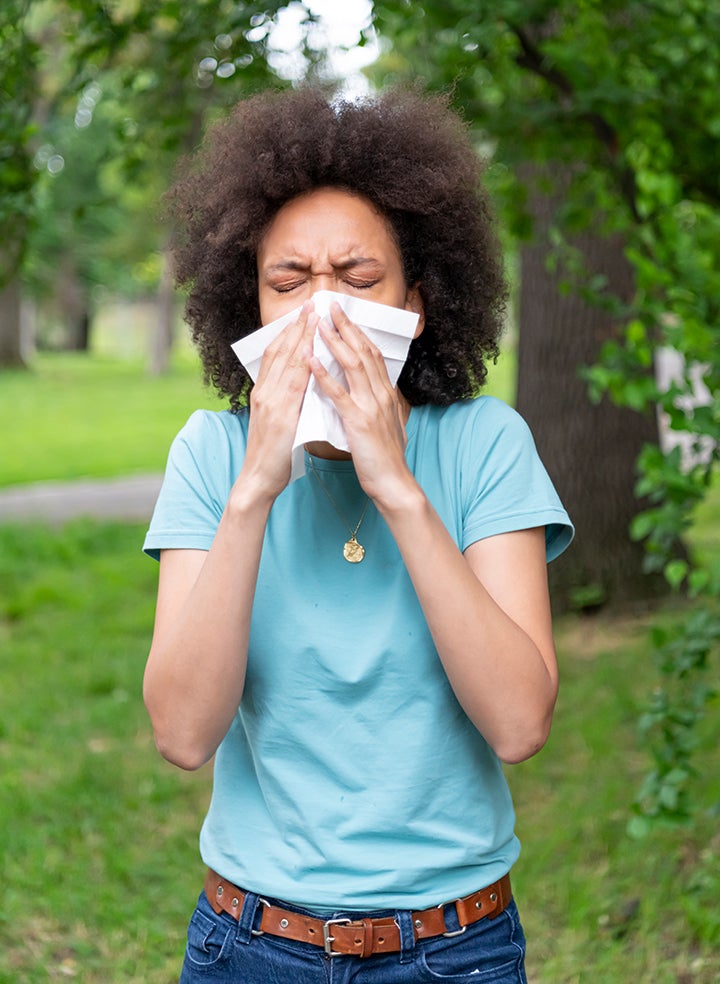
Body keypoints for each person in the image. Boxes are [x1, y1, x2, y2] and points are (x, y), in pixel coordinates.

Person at [142, 86, 573, 984]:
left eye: (359, 278)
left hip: (456, 949)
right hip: (249, 945)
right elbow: (183, 734)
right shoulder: (210, 455)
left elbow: (519, 721)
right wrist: (255, 490)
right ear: (250, 305)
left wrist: (396, 486)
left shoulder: (484, 444)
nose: (323, 311)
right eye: (290, 283)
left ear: (415, 302)